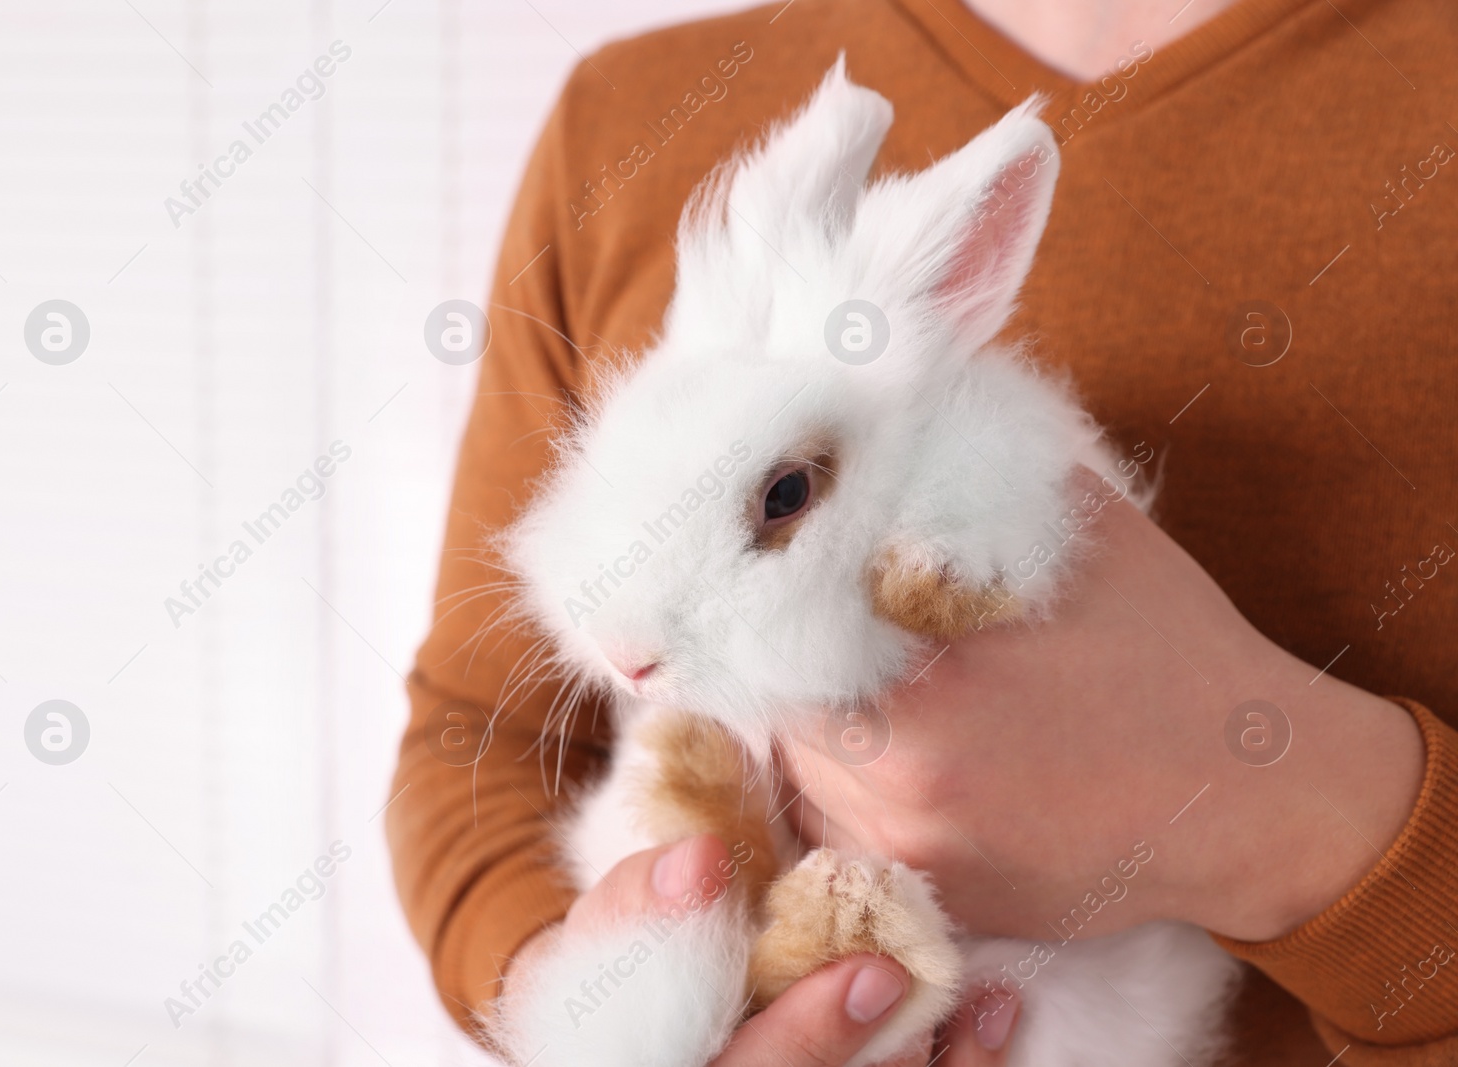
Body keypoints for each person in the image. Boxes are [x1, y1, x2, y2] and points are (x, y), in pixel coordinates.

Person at [389, 0, 1458, 1061]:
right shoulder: (628, 114)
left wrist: (1281, 802)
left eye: (781, 500)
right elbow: (485, 737)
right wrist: (595, 983)